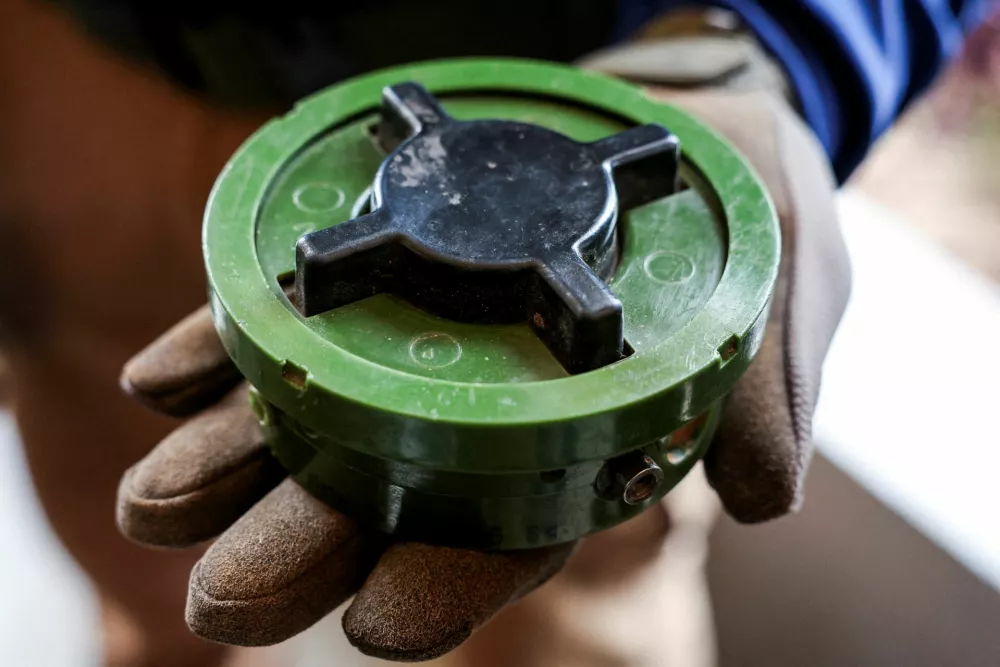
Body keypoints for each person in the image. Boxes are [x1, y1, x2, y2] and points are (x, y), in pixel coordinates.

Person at [0, 1, 990, 666]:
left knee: (570, 604)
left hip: (600, 78)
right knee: (138, 539)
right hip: (85, 68)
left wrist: (767, 47)